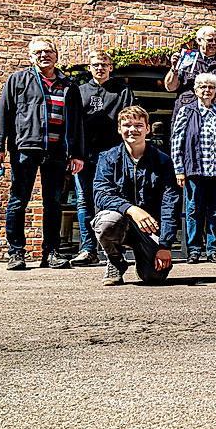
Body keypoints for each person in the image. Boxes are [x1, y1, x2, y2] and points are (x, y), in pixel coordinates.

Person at [0, 37, 85, 271]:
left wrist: (77, 153)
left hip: (56, 151)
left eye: (48, 51)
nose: (44, 55)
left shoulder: (69, 85)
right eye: (38, 52)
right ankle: (16, 253)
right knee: (18, 201)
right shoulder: (18, 80)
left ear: (56, 55)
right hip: (25, 149)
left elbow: (76, 123)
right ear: (31, 56)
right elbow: (4, 113)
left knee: (53, 203)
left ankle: (51, 253)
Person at [91, 106, 179, 286]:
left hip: (149, 228)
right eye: (127, 125)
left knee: (154, 277)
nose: (132, 130)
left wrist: (165, 245)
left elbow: (170, 203)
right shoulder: (108, 158)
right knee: (107, 221)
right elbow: (101, 194)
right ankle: (115, 262)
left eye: (138, 125)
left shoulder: (163, 161)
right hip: (119, 221)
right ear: (119, 129)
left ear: (148, 129)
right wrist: (131, 209)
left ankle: (144, 259)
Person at [72, 49, 135, 266]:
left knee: (113, 200)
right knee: (84, 200)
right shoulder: (79, 91)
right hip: (85, 155)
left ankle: (113, 249)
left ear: (111, 67)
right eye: (96, 64)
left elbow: (130, 120)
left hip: (113, 156)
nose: (100, 68)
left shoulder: (122, 91)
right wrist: (74, 153)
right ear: (89, 68)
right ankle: (88, 249)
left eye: (104, 64)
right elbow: (73, 126)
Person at [171, 73, 216, 264]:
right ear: (195, 90)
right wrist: (179, 169)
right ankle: (194, 250)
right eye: (202, 86)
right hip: (195, 170)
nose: (206, 90)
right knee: (194, 210)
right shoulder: (187, 111)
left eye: (210, 87)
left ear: (215, 90)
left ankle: (213, 250)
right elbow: (177, 141)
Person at [164, 26, 216, 125]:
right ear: (199, 40)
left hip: (215, 115)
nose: (213, 43)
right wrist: (174, 68)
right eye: (209, 40)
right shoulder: (189, 58)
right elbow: (171, 87)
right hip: (187, 114)